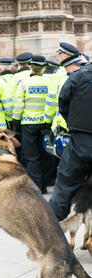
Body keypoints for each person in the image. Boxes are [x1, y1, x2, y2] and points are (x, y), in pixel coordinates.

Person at [49, 61, 92, 221]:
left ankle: (51, 236)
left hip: (80, 141)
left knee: (64, 187)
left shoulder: (79, 76)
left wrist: (73, 125)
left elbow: (63, 102)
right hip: (80, 136)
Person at [12, 55, 50, 193]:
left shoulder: (24, 83)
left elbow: (18, 105)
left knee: (32, 156)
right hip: (45, 123)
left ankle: (36, 187)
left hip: (28, 124)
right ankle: (45, 184)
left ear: (30, 67)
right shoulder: (49, 82)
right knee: (45, 154)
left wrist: (15, 121)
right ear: (43, 68)